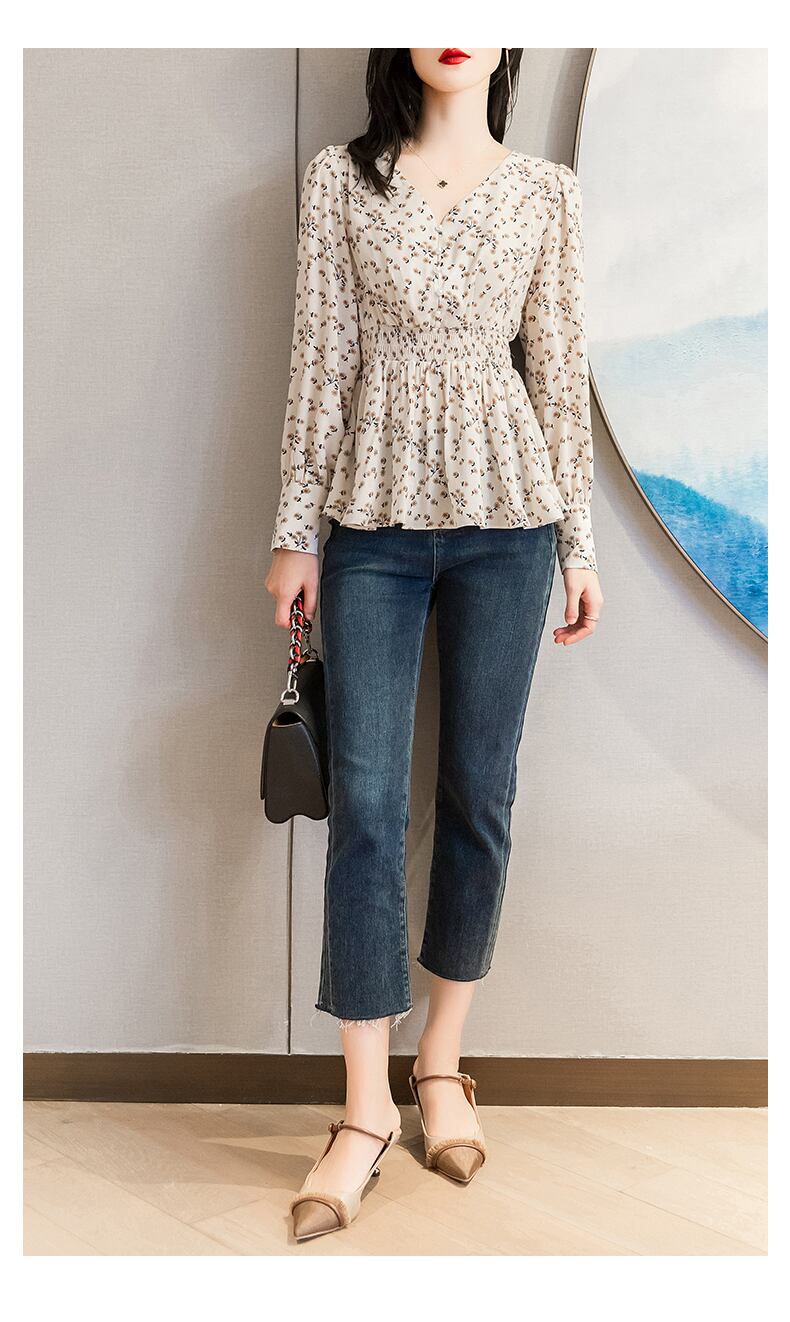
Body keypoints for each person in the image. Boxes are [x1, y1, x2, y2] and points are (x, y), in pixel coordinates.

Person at [265, 47, 604, 1242]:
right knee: (365, 800)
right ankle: (363, 1106)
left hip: (512, 527)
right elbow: (320, 362)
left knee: (478, 790)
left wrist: (578, 547)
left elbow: (557, 374)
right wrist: (294, 533)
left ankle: (442, 1061)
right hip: (368, 524)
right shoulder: (341, 179)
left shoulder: (545, 192)